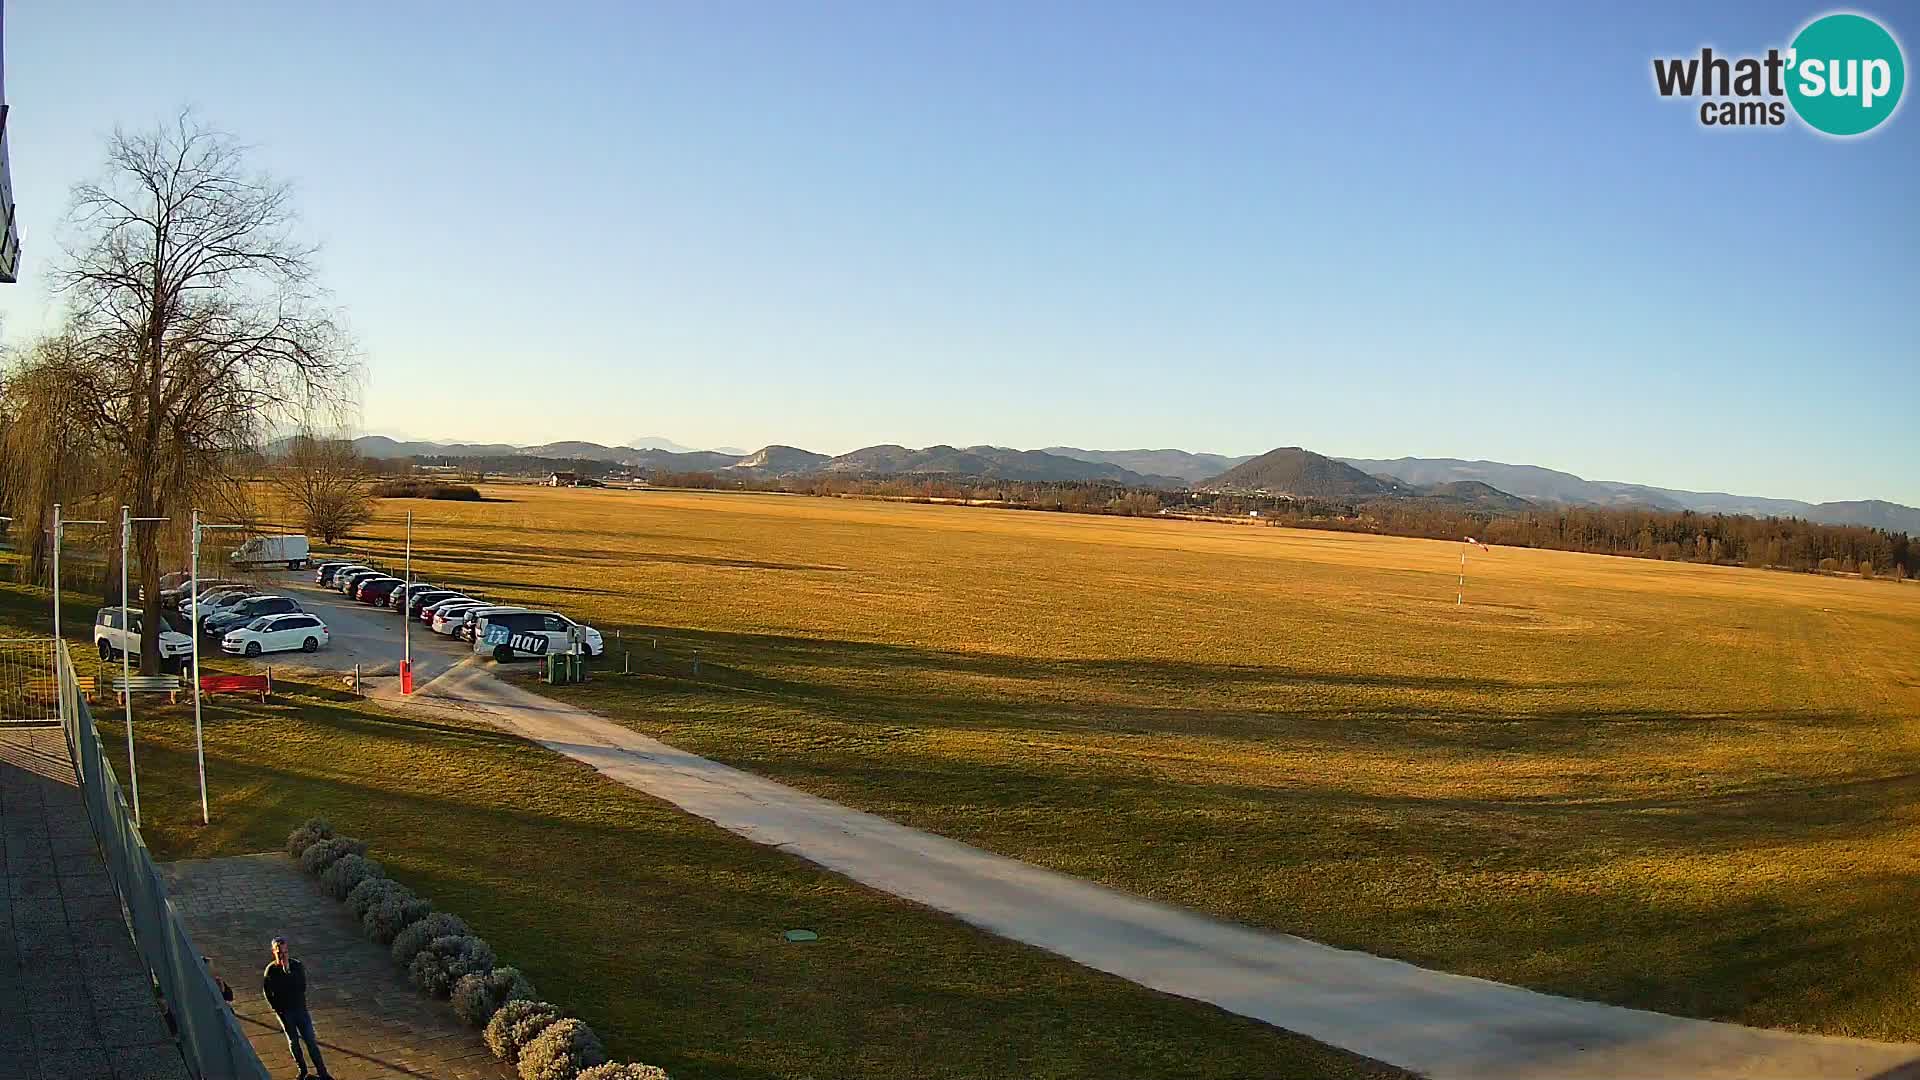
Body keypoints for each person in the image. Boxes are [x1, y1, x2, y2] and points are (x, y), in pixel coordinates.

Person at [262, 937, 332, 1080]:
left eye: (285, 952)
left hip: (300, 1010)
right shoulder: (271, 970)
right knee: (294, 1042)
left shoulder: (296, 966)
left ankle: (322, 1072)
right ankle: (303, 1070)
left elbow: (301, 987)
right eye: (279, 952)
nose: (283, 955)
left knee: (310, 1041)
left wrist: (287, 971)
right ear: (274, 952)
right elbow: (267, 992)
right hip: (285, 1013)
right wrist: (277, 1009)